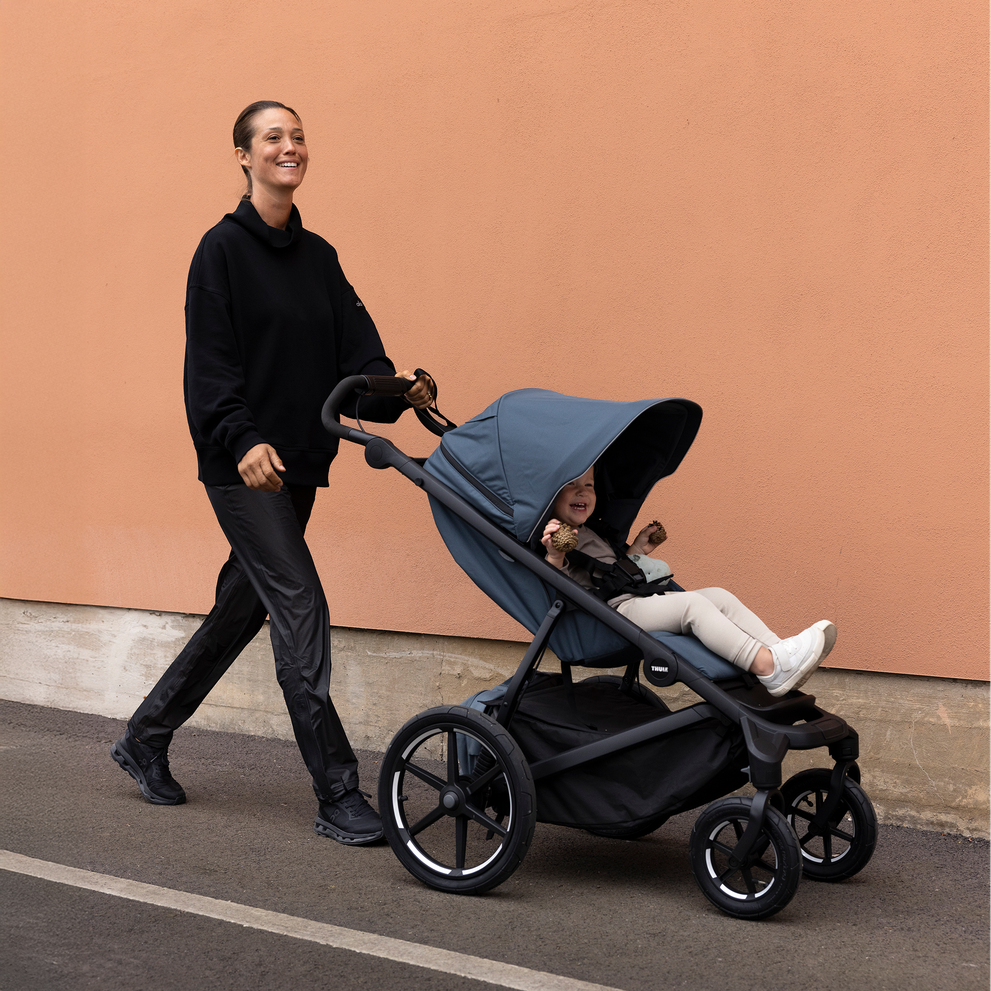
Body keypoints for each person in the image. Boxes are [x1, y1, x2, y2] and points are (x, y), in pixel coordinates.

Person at [111, 101, 432, 845]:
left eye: (297, 136)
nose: (289, 147)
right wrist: (240, 437)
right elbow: (209, 365)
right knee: (299, 606)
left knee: (243, 608)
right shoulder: (219, 251)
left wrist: (397, 390)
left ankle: (147, 733)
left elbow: (360, 351)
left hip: (298, 465)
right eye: (272, 138)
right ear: (243, 157)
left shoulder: (318, 257)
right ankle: (336, 790)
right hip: (243, 467)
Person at [541, 467, 836, 696]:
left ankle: (777, 651)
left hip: (633, 600)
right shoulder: (554, 537)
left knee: (717, 596)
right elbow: (558, 587)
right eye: (571, 485)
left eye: (589, 485)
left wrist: (637, 550)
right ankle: (767, 666)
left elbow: (611, 573)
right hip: (610, 616)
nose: (582, 492)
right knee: (692, 606)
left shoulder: (591, 531)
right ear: (550, 493)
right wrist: (554, 555)